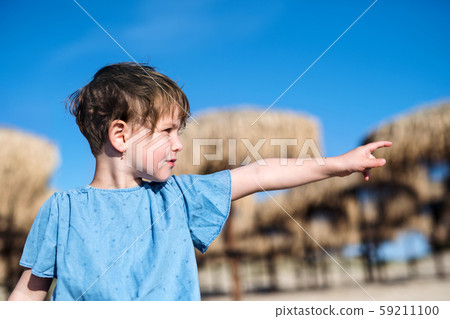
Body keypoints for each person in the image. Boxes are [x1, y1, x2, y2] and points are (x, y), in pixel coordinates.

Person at [8, 62, 391, 301]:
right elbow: (28, 293)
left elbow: (259, 173)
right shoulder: (63, 210)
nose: (178, 144)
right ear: (120, 136)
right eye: (168, 131)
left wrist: (336, 164)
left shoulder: (181, 196)